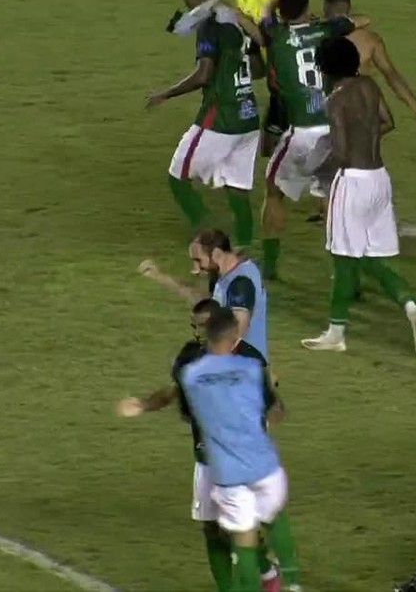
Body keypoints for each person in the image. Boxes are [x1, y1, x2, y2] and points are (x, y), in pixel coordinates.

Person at [115, 299, 284, 592]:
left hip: (243, 460)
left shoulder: (247, 358)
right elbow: (173, 391)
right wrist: (143, 405)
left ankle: (267, 573)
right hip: (208, 457)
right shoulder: (191, 358)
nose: (199, 333)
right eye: (195, 327)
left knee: (239, 529)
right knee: (212, 528)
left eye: (204, 326)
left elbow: (273, 405)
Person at [300, 36, 416, 355]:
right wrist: (364, 138)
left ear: (326, 68)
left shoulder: (336, 100)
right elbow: (387, 122)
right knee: (372, 257)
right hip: (379, 180)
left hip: (352, 183)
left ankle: (336, 333)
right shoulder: (370, 86)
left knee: (343, 259)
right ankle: (412, 308)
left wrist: (315, 168)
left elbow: (341, 153)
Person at [180, 309, 302, 592]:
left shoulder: (191, 374)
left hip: (226, 471)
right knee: (272, 520)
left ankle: (259, 581)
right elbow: (274, 409)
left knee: (243, 539)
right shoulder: (252, 369)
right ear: (234, 337)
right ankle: (292, 583)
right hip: (261, 463)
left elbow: (188, 412)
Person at [148, 0, 263, 248]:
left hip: (220, 118)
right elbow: (258, 69)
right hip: (248, 117)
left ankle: (206, 235)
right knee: (237, 189)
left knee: (178, 176)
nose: (186, 2)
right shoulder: (239, 20)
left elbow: (204, 74)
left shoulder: (210, 24)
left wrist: (166, 94)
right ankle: (244, 247)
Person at [305, 0, 416, 225]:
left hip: (326, 108)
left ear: (326, 7)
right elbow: (392, 75)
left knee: (328, 167)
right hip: (364, 105)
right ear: (348, 7)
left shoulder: (318, 34)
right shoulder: (370, 40)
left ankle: (330, 213)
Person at [256, 0, 363, 279]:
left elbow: (265, 16)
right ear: (307, 8)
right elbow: (362, 21)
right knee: (332, 199)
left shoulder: (276, 35)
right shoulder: (326, 30)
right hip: (335, 132)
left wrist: (274, 3)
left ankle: (270, 267)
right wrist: (325, 23)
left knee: (273, 192)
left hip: (302, 133)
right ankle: (346, 274)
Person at [140, 228, 269, 360]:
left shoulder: (241, 282)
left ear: (217, 254)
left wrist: (213, 363)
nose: (195, 269)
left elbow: (238, 329)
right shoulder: (224, 274)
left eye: (198, 260)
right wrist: (160, 277)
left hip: (241, 365)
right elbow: (202, 298)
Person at [223, 0, 288, 159]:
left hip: (293, 81)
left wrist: (239, 17)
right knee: (271, 149)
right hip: (278, 80)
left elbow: (279, 36)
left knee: (279, 149)